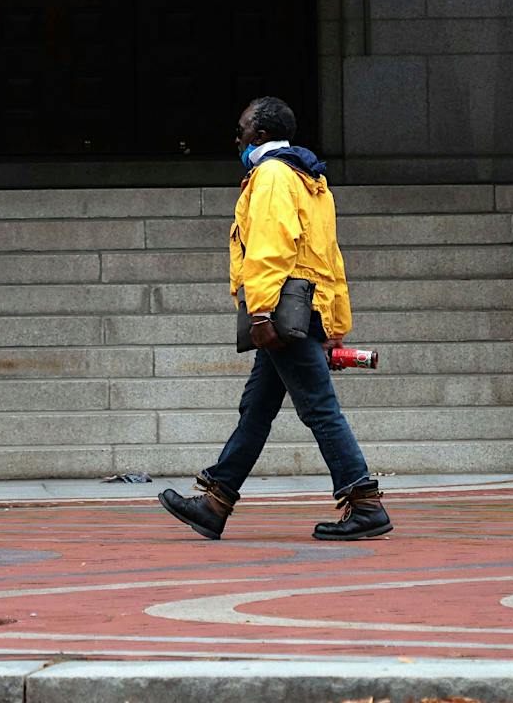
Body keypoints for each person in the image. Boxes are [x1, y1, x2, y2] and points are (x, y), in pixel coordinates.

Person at [157, 95, 392, 543]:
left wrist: (260, 310)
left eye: (243, 129)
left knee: (319, 409)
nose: (238, 137)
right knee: (257, 409)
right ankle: (215, 501)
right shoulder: (310, 178)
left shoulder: (269, 175)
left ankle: (365, 504)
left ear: (260, 135)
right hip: (307, 310)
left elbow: (269, 247)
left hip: (282, 313)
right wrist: (334, 321)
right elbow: (330, 257)